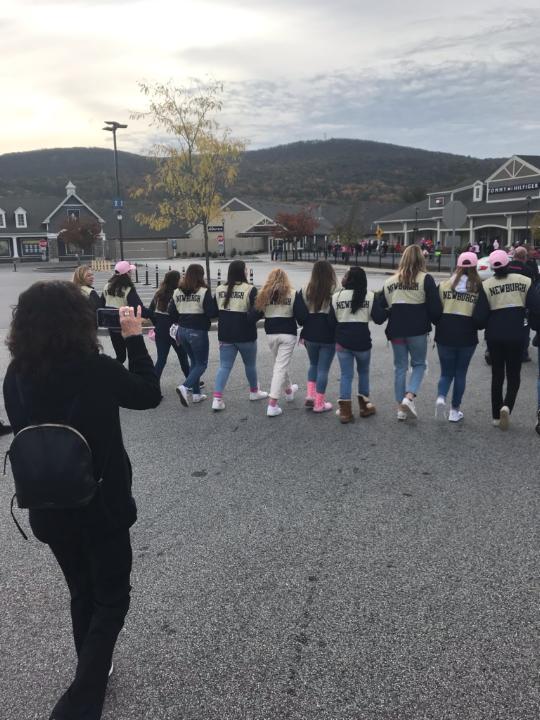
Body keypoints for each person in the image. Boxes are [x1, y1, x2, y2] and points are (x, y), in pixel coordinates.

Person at [3, 282, 161, 720]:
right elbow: (148, 394)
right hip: (102, 503)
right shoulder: (95, 369)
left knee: (81, 589)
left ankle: (93, 664)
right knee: (112, 598)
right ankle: (83, 698)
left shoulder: (15, 373)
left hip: (47, 503)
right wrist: (133, 339)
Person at [473, 249, 539, 430]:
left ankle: (496, 415)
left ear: (493, 268)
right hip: (517, 333)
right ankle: (507, 406)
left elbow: (479, 318)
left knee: (497, 374)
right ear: (508, 264)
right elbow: (536, 307)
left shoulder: (486, 285)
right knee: (513, 374)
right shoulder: (525, 281)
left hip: (494, 335)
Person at [378, 244, 442, 420]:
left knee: (400, 367)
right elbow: (435, 309)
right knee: (419, 364)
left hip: (396, 330)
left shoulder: (390, 282)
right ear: (421, 259)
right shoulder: (425, 279)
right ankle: (409, 396)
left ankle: (400, 408)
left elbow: (380, 305)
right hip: (417, 330)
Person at [329, 267, 386, 423]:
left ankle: (345, 412)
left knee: (346, 375)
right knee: (363, 373)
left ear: (349, 279)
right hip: (362, 343)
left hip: (342, 342)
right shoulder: (369, 296)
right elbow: (380, 318)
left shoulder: (336, 296)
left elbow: (331, 322)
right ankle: (364, 406)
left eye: (346, 275)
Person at [212, 260, 267, 411]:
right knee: (250, 365)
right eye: (246, 269)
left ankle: (217, 399)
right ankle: (254, 392)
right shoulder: (250, 289)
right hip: (245, 334)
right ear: (243, 272)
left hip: (225, 334)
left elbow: (212, 312)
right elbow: (258, 311)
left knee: (224, 366)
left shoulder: (219, 289)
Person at [434, 252, 482, 422]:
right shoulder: (477, 288)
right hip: (467, 333)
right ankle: (455, 411)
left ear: (458, 265)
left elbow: (436, 309)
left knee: (446, 373)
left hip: (445, 331)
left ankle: (441, 397)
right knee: (460, 373)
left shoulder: (444, 285)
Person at [254, 268, 300, 417]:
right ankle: (272, 404)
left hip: (271, 334)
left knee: (280, 364)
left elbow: (253, 315)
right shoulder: (292, 294)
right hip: (288, 334)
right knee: (280, 366)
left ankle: (288, 391)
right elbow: (302, 316)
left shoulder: (264, 295)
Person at [169, 264, 214, 407]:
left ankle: (196, 395)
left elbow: (172, 313)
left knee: (194, 362)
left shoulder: (177, 291)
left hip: (182, 331)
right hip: (198, 331)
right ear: (201, 276)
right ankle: (185, 387)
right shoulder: (203, 291)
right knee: (201, 364)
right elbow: (211, 312)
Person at [295, 260, 337, 412]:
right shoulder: (336, 289)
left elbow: (300, 314)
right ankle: (319, 403)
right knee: (323, 369)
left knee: (313, 364)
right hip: (328, 332)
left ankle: (310, 396)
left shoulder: (306, 289)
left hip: (310, 331)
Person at [101, 261, 148, 364]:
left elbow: (102, 304)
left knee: (121, 356)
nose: (131, 273)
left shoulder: (107, 286)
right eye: (130, 271)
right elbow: (138, 307)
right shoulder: (128, 289)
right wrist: (152, 314)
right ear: (127, 274)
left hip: (112, 326)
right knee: (133, 356)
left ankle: (113, 375)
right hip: (126, 325)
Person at [149, 270, 191, 382]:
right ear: (176, 280)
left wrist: (156, 324)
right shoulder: (177, 294)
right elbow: (180, 313)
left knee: (161, 359)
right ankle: (191, 380)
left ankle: (153, 382)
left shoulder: (158, 293)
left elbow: (150, 311)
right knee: (183, 356)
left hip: (161, 329)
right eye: (180, 278)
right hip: (175, 330)